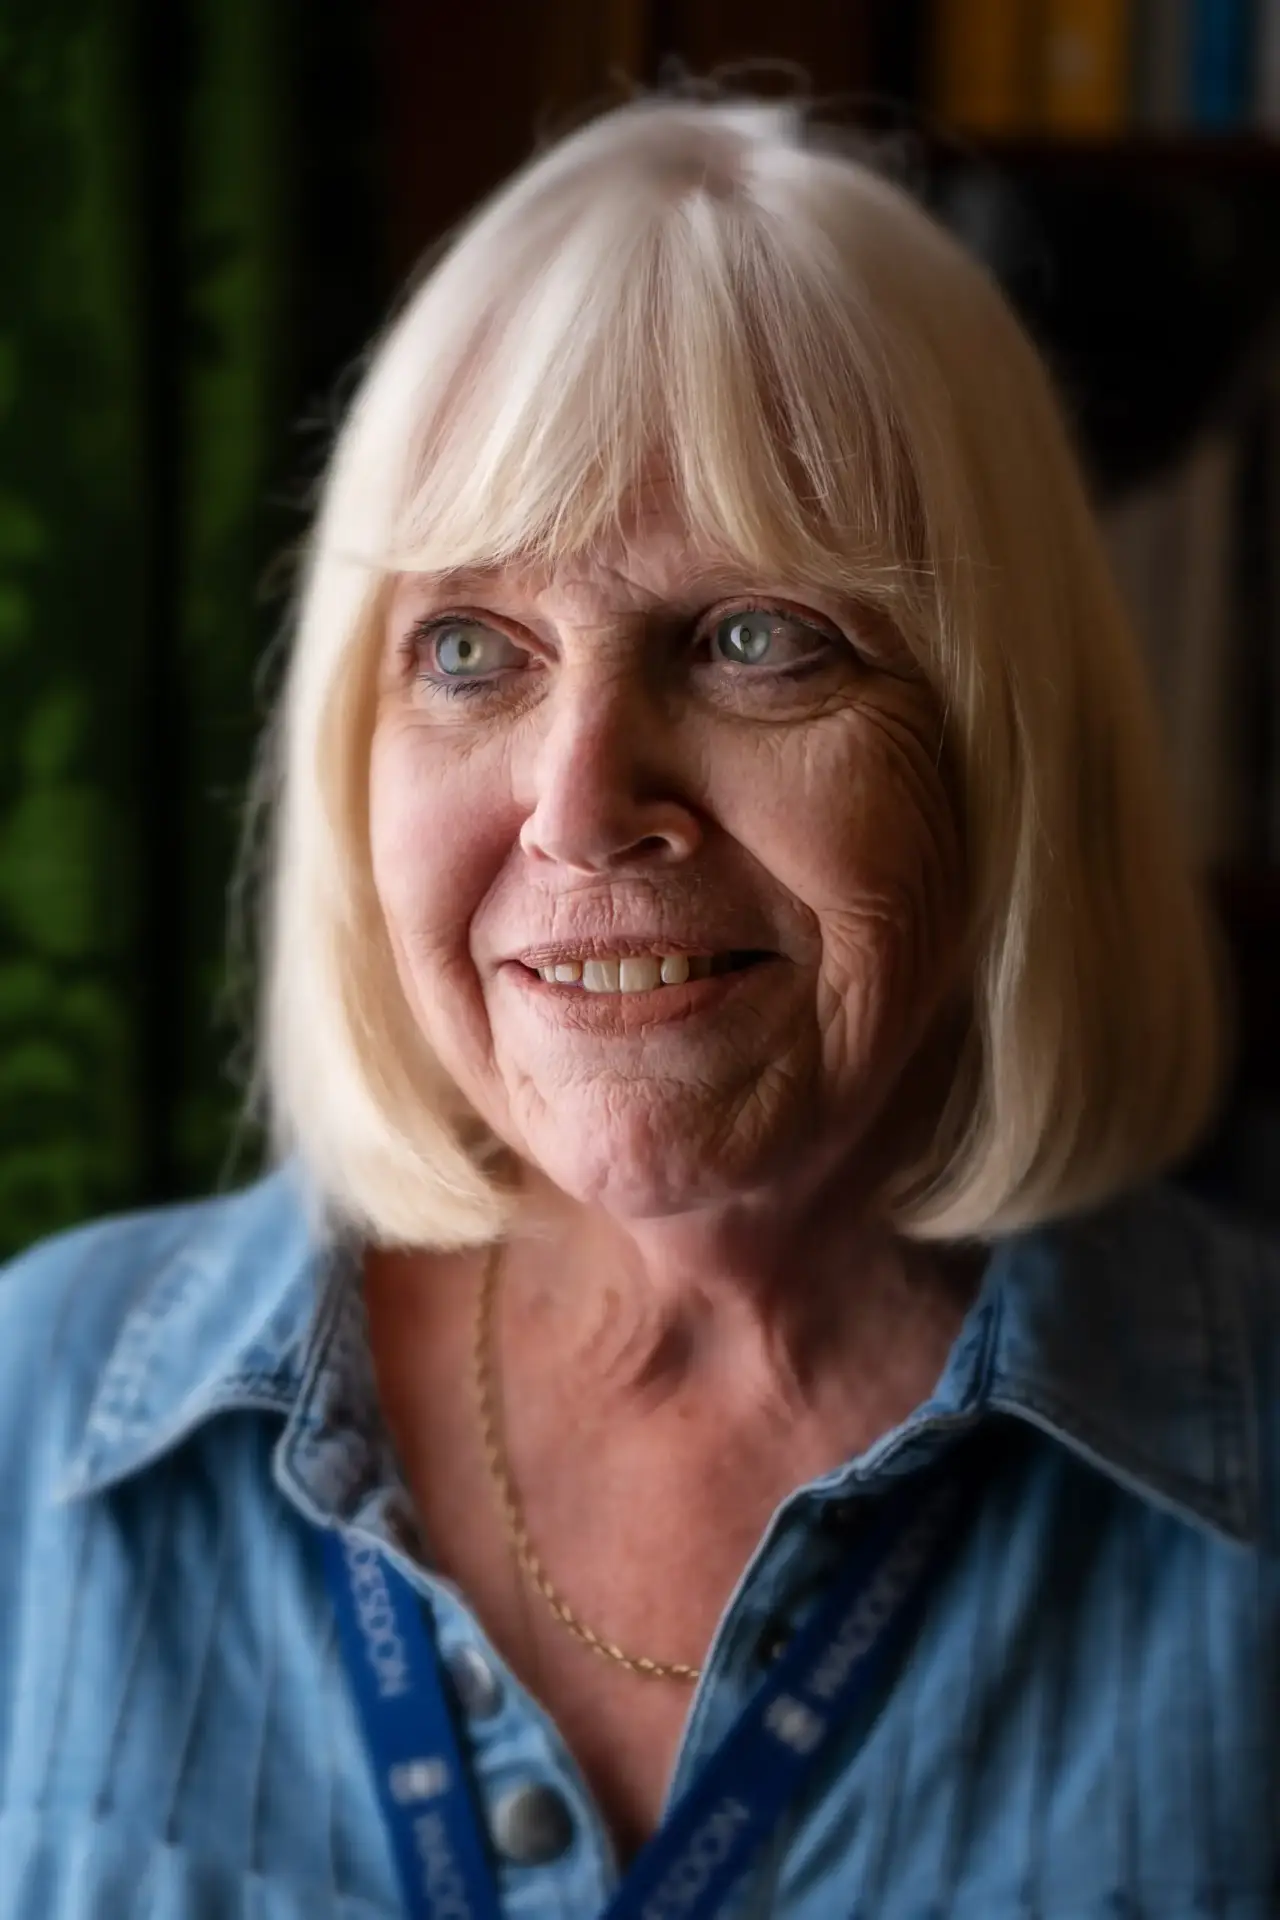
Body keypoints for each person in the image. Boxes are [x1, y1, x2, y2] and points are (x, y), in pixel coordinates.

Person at [0, 91, 1276, 1920]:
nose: (583, 803)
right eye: (469, 651)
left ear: (1007, 753)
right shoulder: (39, 1417)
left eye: (756, 635)